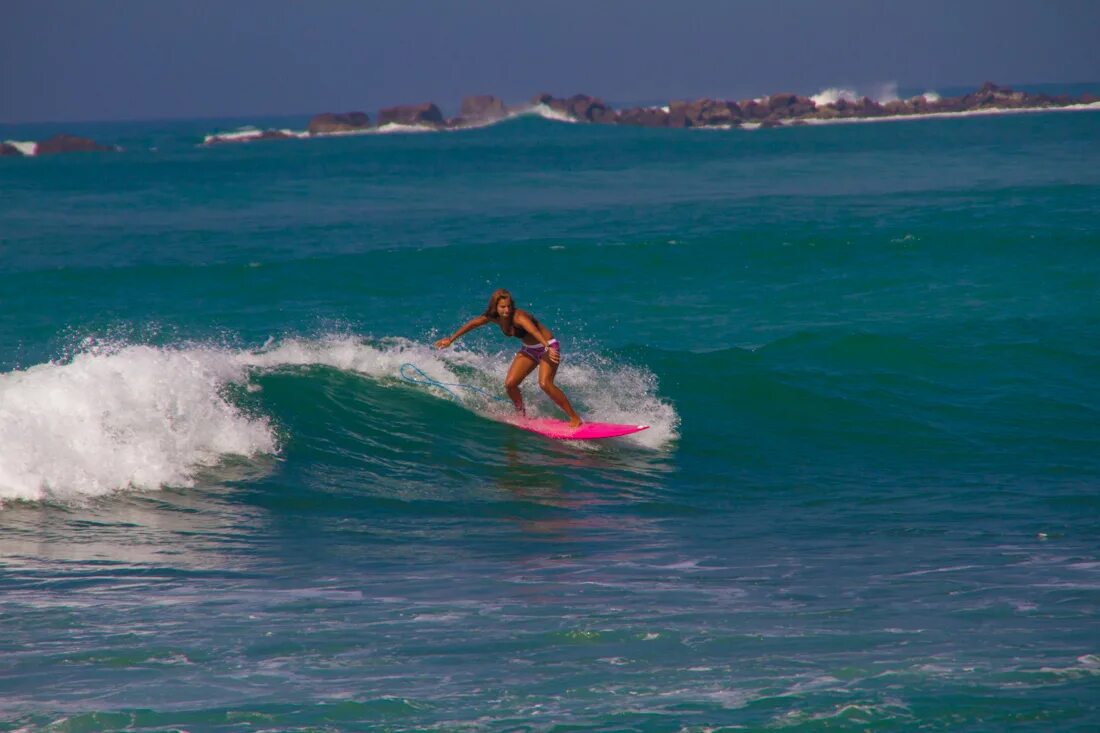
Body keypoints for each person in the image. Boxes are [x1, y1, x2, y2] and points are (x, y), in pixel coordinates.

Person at [435, 289, 583, 427]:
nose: (507, 310)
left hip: (548, 346)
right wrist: (451, 339)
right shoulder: (494, 318)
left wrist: (547, 347)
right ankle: (522, 416)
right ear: (495, 307)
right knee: (510, 384)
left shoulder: (519, 317)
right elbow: (474, 323)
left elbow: (534, 330)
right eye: (503, 307)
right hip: (530, 349)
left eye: (509, 306)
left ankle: (575, 418)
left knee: (545, 383)